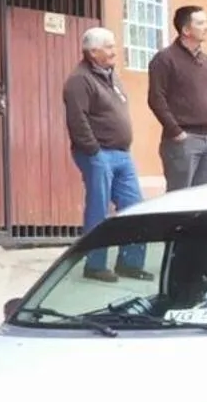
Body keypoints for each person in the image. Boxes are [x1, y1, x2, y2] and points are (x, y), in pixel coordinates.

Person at [63, 27, 149, 284]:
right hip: (97, 155)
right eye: (109, 47)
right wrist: (94, 151)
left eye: (114, 46)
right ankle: (95, 264)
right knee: (98, 210)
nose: (115, 51)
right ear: (92, 52)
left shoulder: (112, 76)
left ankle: (130, 263)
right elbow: (77, 121)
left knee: (136, 208)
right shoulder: (79, 80)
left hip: (122, 154)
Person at [148, 4, 207, 191]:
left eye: (206, 22)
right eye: (200, 23)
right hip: (184, 140)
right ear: (186, 30)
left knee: (204, 202)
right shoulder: (164, 59)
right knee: (179, 199)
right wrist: (176, 132)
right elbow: (156, 99)